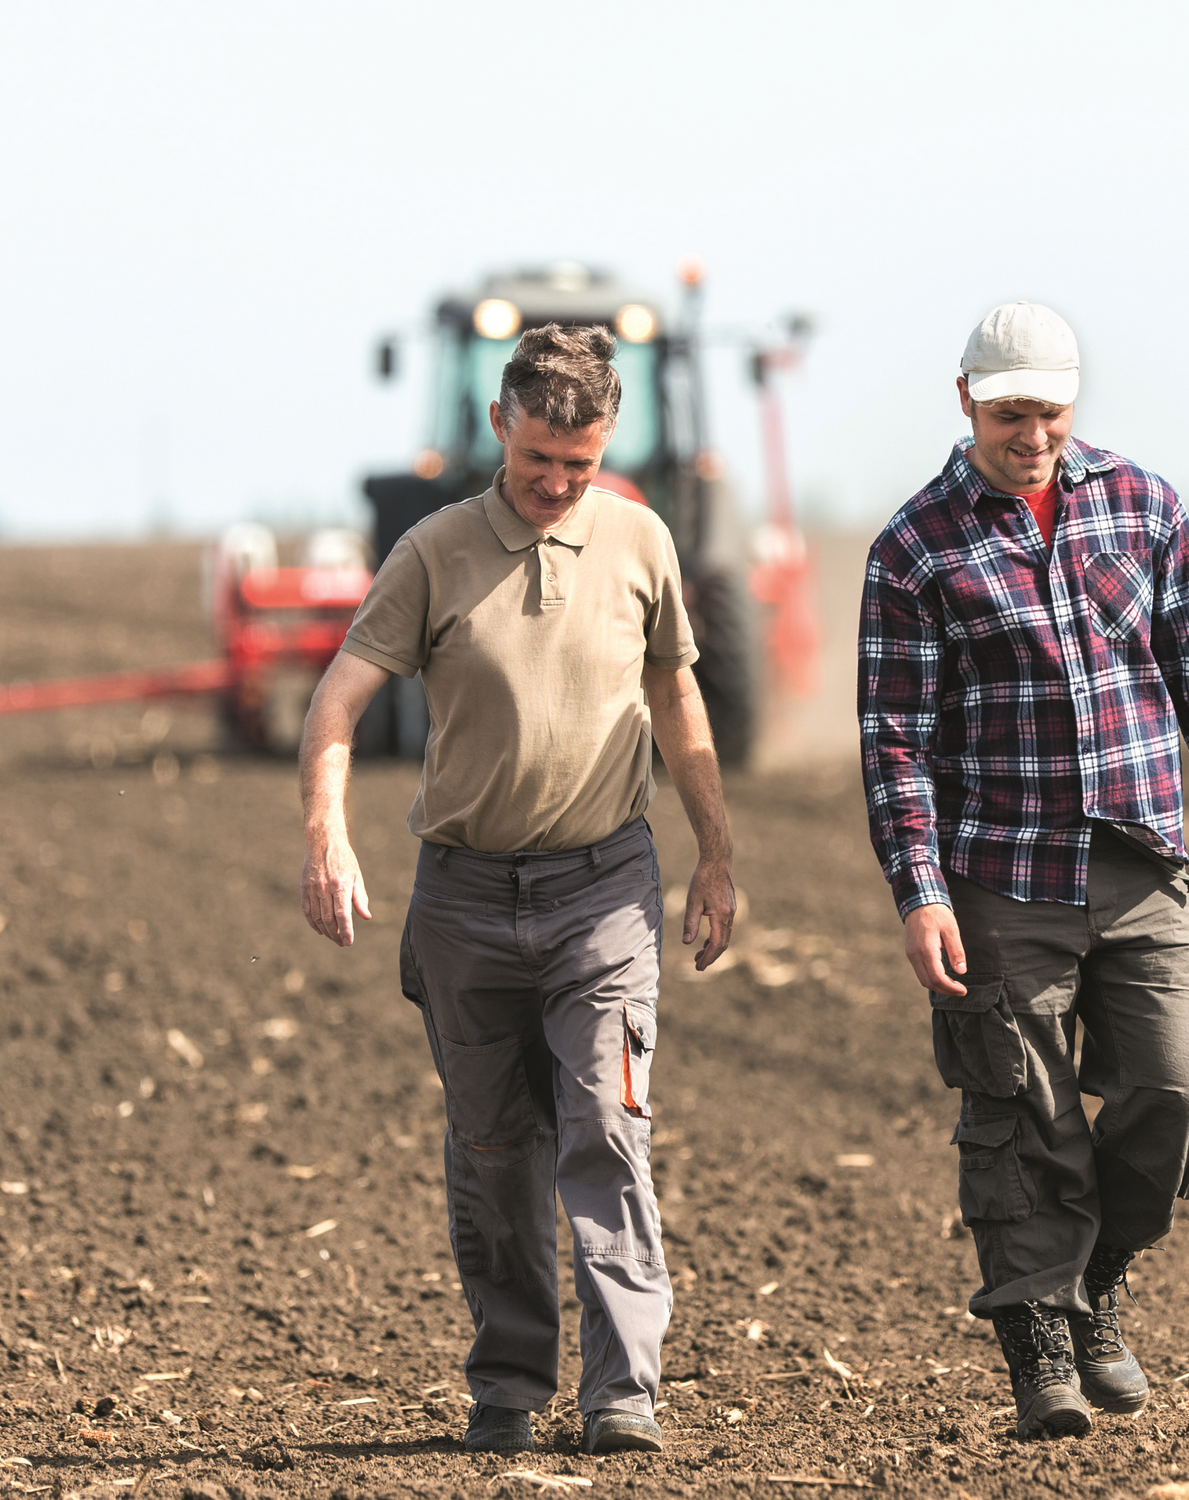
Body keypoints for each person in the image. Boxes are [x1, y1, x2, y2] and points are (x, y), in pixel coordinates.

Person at [295, 323, 736, 1457]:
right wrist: (327, 839)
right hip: (465, 900)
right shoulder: (433, 551)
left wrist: (716, 855)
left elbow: (681, 704)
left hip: (605, 892)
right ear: (501, 424)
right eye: (539, 458)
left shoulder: (641, 540)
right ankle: (507, 1384)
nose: (554, 484)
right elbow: (339, 702)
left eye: (578, 466)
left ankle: (621, 1392)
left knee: (609, 1128)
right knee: (493, 1151)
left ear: (607, 445)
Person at [858, 302, 1189, 1440]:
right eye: (1007, 413)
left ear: (1071, 401)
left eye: (1047, 409)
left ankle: (1096, 1279)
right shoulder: (915, 548)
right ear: (965, 402)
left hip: (1141, 861)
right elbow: (894, 742)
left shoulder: (1143, 507)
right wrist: (922, 891)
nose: (1029, 432)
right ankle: (1041, 1338)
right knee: (1023, 1111)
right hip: (1001, 869)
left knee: (1173, 1091)